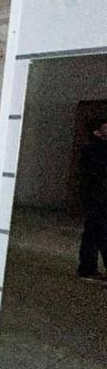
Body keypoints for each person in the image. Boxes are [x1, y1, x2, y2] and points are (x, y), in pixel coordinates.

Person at [77, 118, 107, 281]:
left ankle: (87, 268)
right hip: (96, 197)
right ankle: (87, 268)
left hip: (98, 196)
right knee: (99, 232)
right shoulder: (92, 149)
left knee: (93, 233)